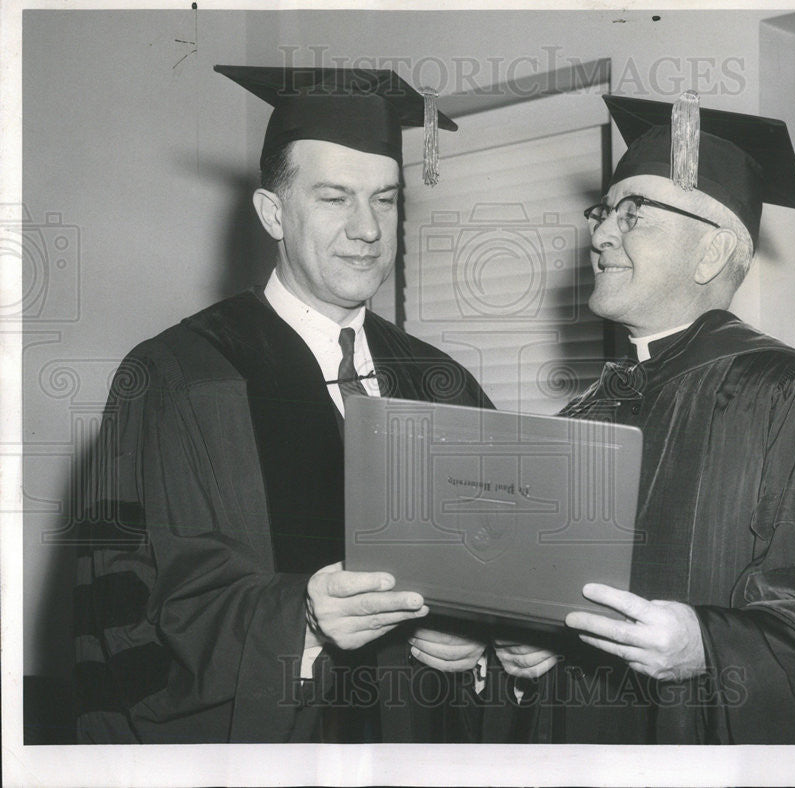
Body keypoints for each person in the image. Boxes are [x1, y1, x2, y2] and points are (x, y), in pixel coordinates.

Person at [486, 93, 795, 744]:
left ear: (711, 253)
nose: (602, 233)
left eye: (633, 213)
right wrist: (543, 649)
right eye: (605, 211)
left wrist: (708, 647)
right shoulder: (582, 415)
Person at [73, 66, 492, 743]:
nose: (366, 229)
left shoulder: (442, 383)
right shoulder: (176, 379)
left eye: (384, 200)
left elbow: (496, 571)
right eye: (334, 198)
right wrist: (300, 614)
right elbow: (132, 609)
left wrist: (480, 643)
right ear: (274, 212)